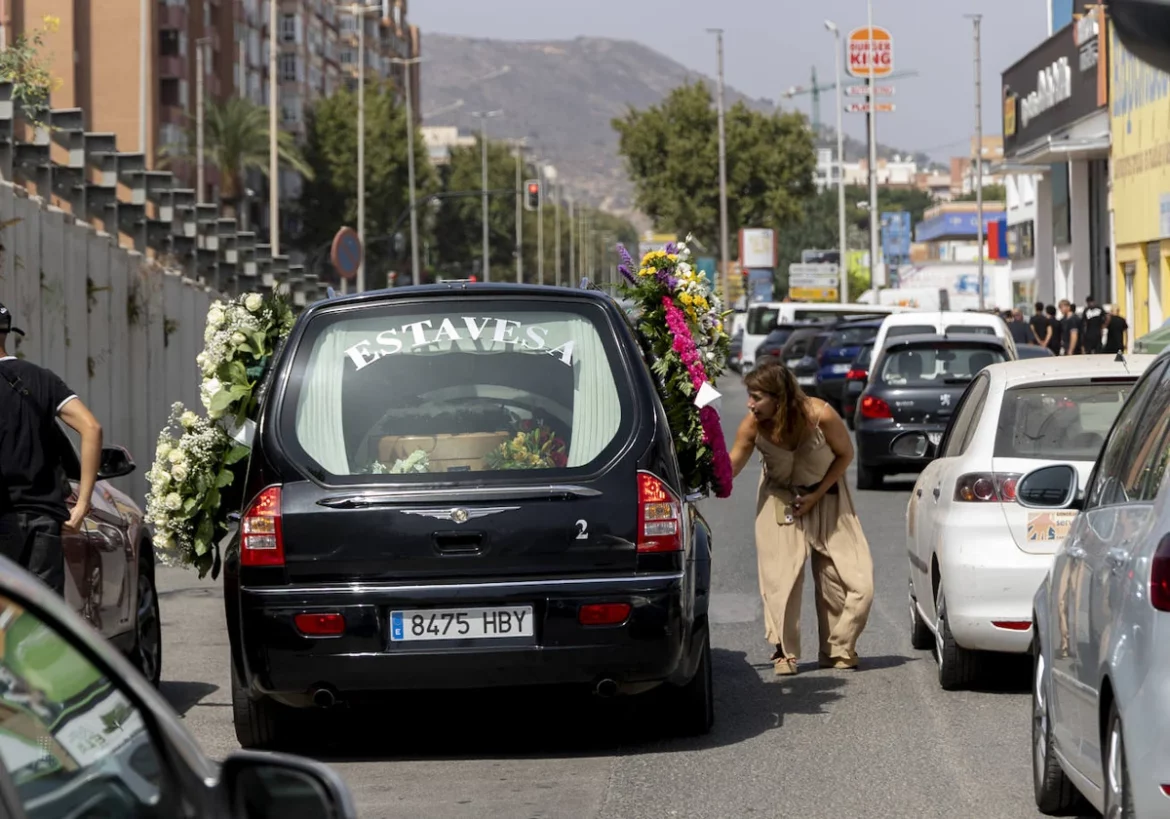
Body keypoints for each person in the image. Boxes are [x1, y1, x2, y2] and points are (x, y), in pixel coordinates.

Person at [729, 361, 874, 675]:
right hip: (780, 498)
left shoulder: (820, 415)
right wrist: (698, 465)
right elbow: (731, 468)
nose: (750, 404)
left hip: (827, 494)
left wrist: (815, 496)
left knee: (855, 580)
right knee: (781, 579)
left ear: (779, 397)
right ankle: (784, 651)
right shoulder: (753, 425)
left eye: (757, 397)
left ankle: (838, 648)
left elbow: (846, 454)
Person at [0, 302, 102, 594]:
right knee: (41, 613)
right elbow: (92, 428)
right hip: (43, 521)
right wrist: (82, 505)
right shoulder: (42, 378)